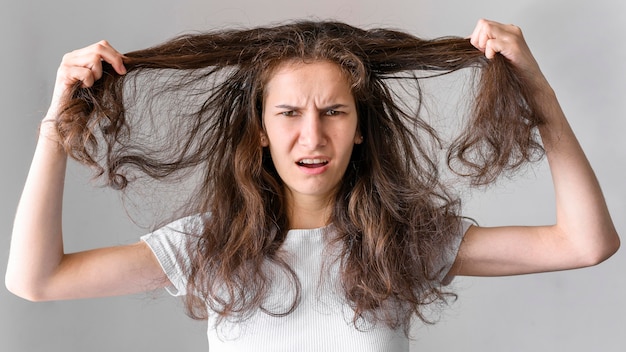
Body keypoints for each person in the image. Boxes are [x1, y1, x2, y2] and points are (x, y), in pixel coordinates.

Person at [5, 18, 620, 351]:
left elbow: (584, 243)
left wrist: (534, 90)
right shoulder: (209, 246)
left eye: (334, 112)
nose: (313, 136)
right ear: (262, 133)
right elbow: (36, 280)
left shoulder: (403, 244)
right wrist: (58, 121)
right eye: (289, 114)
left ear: (359, 130)